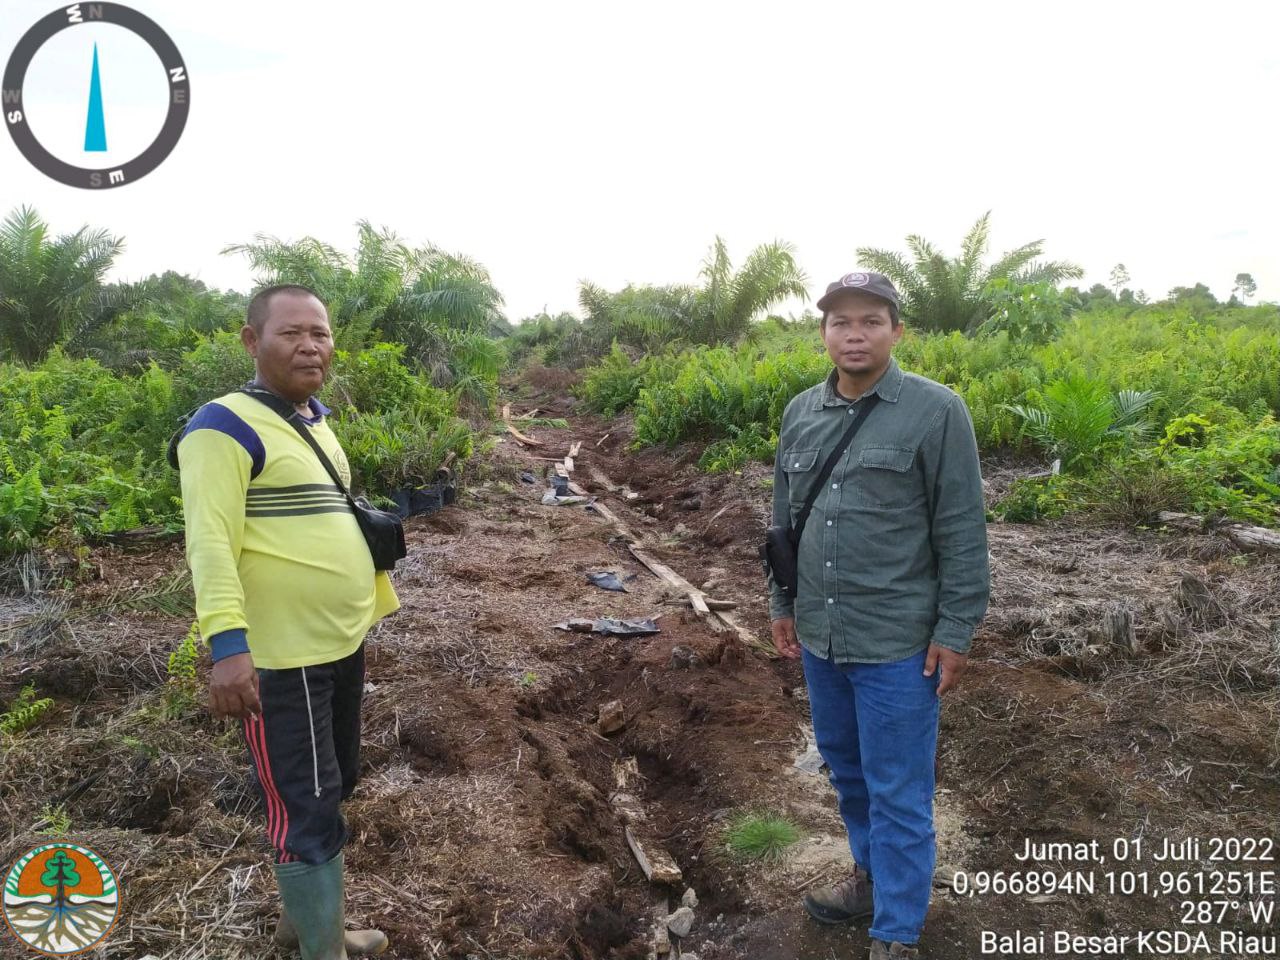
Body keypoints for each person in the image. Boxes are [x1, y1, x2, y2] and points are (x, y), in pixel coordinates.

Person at [768, 272, 990, 960]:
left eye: (869, 321)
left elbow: (961, 528)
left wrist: (955, 630)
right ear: (823, 333)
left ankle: (897, 930)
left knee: (899, 788)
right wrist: (783, 605)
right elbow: (783, 523)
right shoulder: (801, 412)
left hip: (897, 641)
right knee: (846, 767)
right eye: (840, 322)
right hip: (821, 636)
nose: (854, 334)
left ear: (897, 331)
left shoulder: (936, 410)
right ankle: (868, 880)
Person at [177, 284, 399, 959]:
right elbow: (209, 542)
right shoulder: (221, 426)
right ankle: (322, 950)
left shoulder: (311, 419)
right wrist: (228, 647)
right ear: (252, 341)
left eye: (321, 333)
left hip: (336, 643)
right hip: (279, 656)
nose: (311, 345)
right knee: (302, 801)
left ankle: (307, 925)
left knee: (337, 783)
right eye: (291, 333)